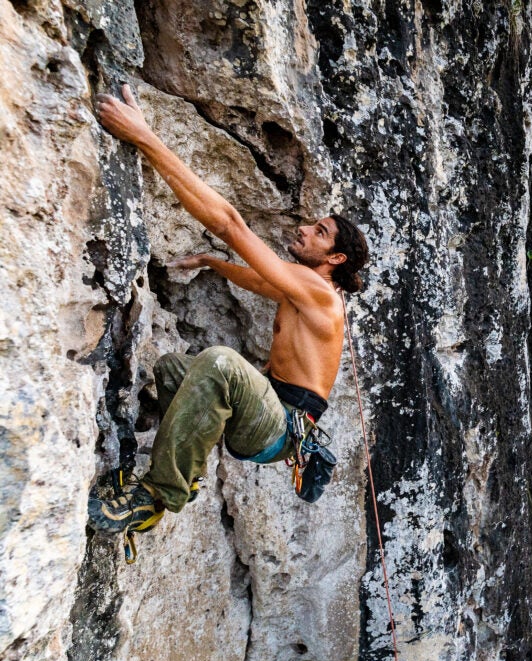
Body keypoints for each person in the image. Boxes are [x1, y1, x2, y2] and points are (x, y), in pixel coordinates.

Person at [88, 84, 369, 534]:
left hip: (278, 429)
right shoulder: (302, 289)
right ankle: (189, 465)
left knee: (219, 363)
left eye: (319, 232)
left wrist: (145, 137)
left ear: (335, 259)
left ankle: (159, 495)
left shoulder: (319, 295)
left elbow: (228, 223)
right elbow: (257, 279)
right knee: (173, 371)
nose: (304, 230)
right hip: (263, 413)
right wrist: (213, 262)